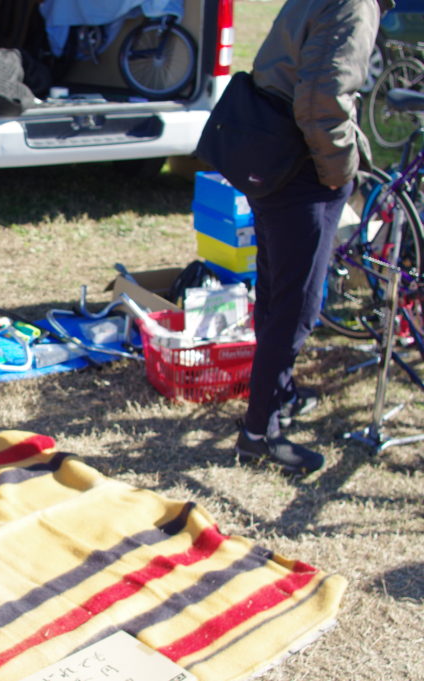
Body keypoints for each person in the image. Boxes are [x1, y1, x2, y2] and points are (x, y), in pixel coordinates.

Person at [233, 0, 393, 475]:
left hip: (272, 152)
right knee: (296, 306)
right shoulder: (355, 5)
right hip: (301, 167)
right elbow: (323, 98)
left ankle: (277, 398)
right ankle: (259, 433)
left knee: (277, 293)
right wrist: (339, 172)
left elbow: (279, 68)